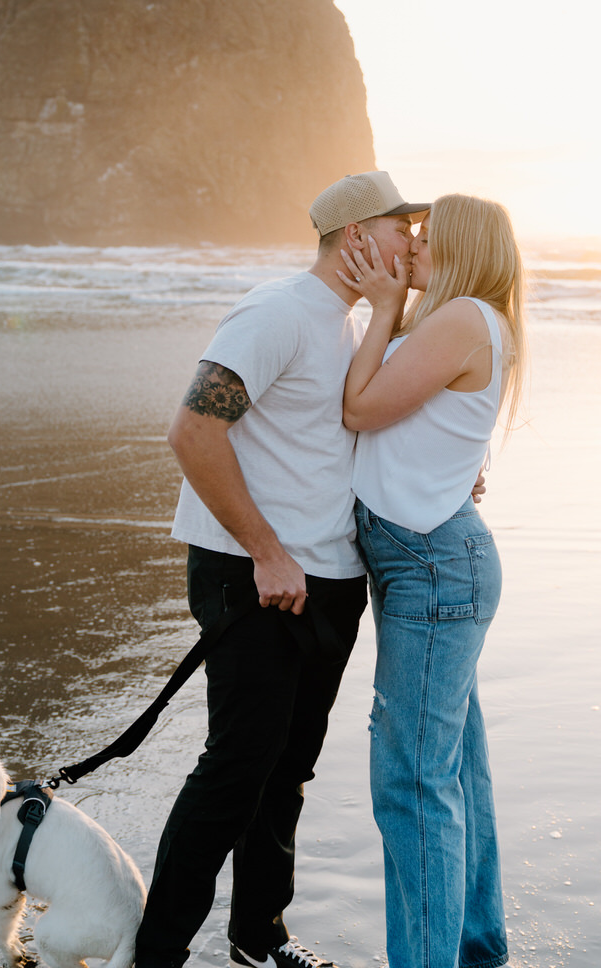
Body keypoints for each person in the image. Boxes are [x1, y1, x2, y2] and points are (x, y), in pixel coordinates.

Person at [134, 171, 430, 968]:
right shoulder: (277, 312)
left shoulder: (352, 326)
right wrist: (267, 551)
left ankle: (258, 937)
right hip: (253, 575)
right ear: (358, 235)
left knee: (286, 772)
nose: (416, 242)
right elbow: (194, 431)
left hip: (331, 581)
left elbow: (346, 437)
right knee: (235, 771)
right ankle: (156, 954)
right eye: (405, 228)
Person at [337, 193, 526, 968]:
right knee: (453, 778)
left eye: (424, 236)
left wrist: (382, 304)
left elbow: (360, 408)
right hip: (434, 564)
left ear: (459, 247)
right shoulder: (461, 321)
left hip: (432, 571)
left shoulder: (460, 318)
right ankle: (475, 950)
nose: (411, 246)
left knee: (412, 788)